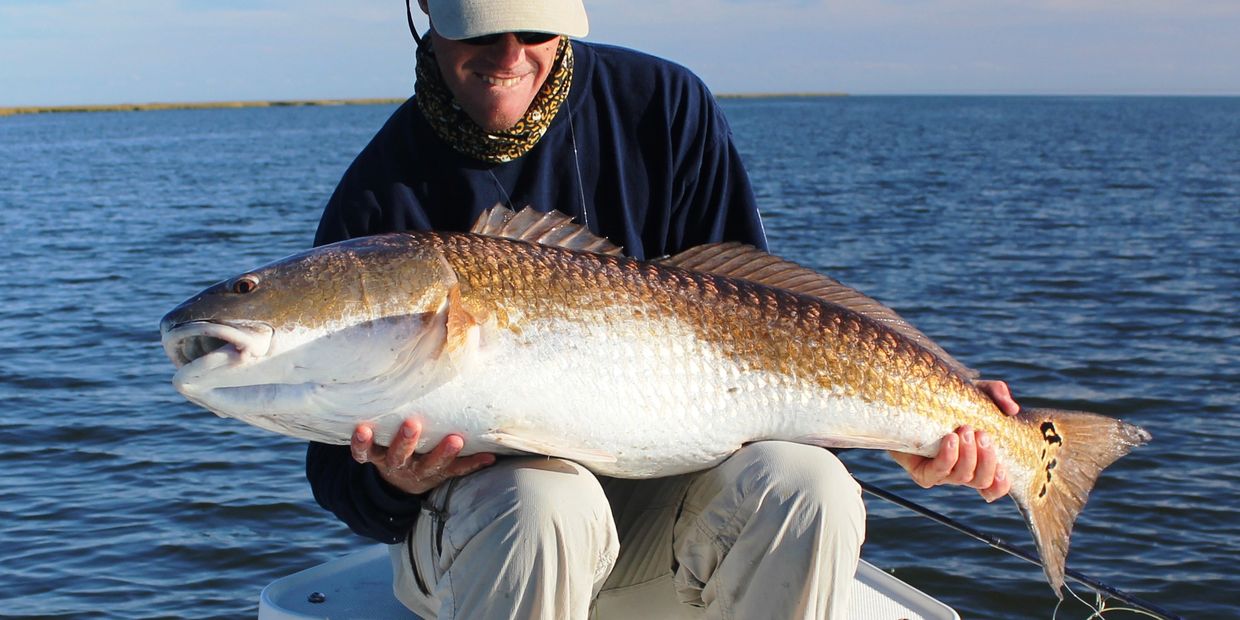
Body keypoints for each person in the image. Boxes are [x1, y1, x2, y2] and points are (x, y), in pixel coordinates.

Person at [306, 1, 1019, 618]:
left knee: (813, 487)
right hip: (488, 552)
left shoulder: (664, 106)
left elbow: (768, 328)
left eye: (535, 29)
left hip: (667, 537)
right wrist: (392, 479)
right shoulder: (378, 204)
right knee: (544, 503)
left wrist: (917, 420)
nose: (511, 56)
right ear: (427, 11)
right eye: (483, 29)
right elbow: (334, 472)